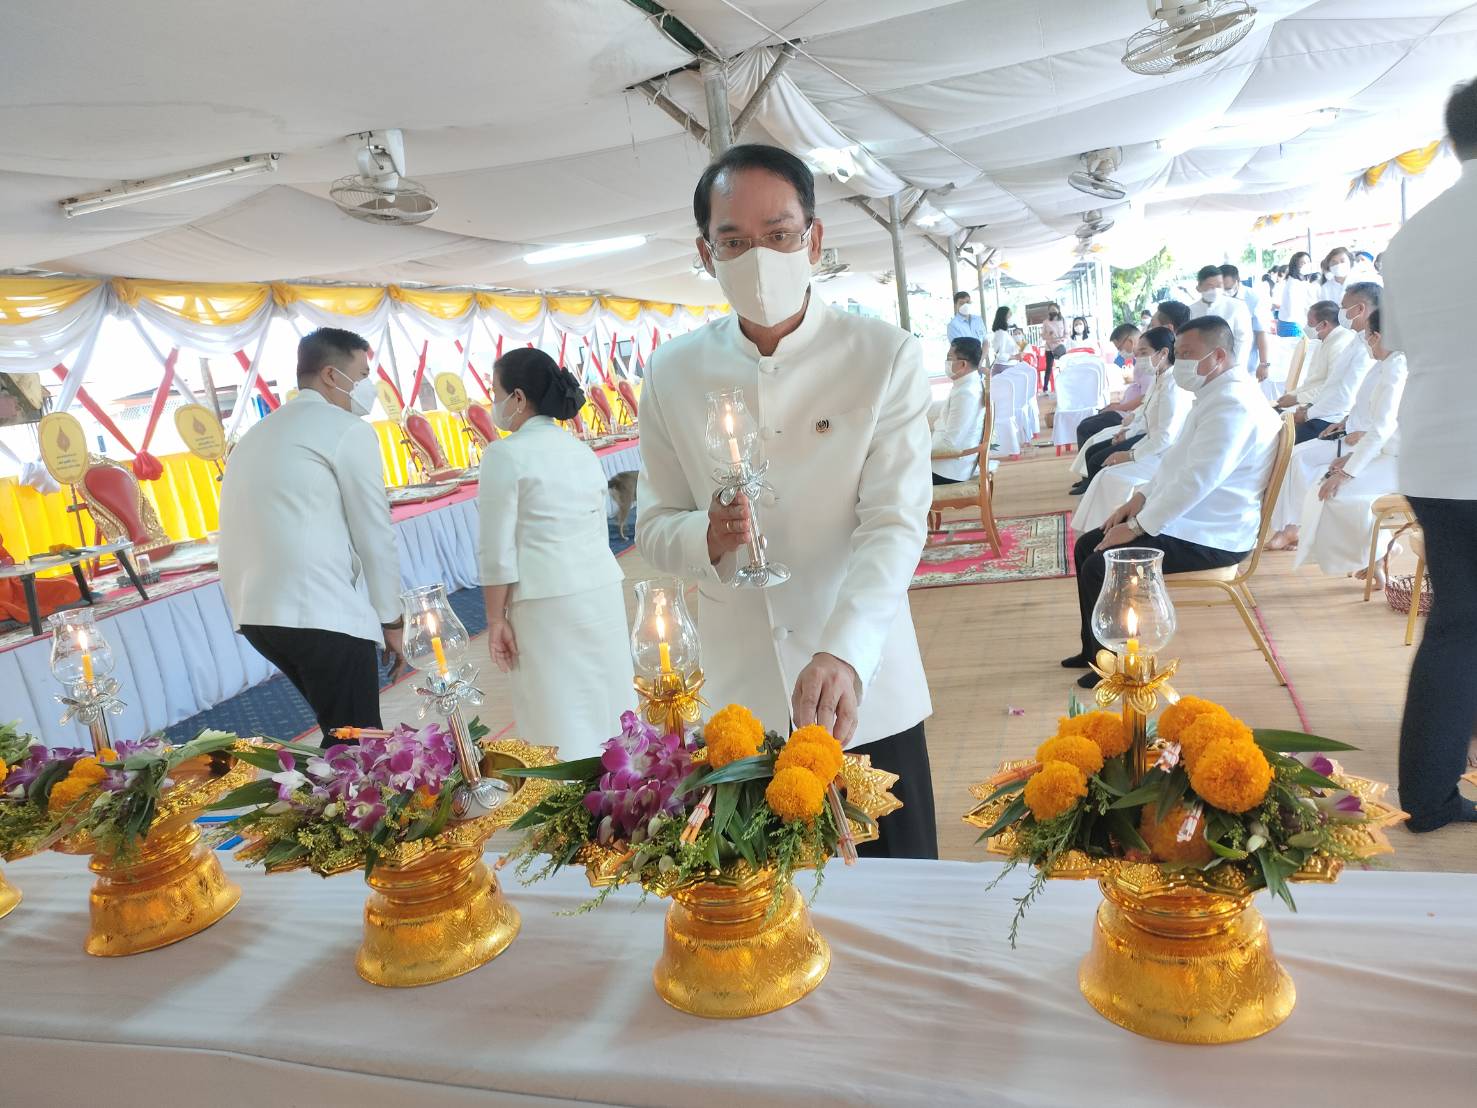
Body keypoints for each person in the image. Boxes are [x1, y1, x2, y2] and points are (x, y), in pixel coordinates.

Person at [635, 143, 936, 858]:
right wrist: (703, 538)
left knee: (899, 890)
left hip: (861, 680)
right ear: (706, 254)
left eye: (778, 235)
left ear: (814, 238)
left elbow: (893, 522)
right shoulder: (673, 371)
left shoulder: (881, 354)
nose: (758, 257)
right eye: (733, 241)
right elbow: (652, 521)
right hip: (739, 691)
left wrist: (843, 651)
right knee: (763, 912)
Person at [1063, 317, 1280, 687]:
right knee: (1088, 546)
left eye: (1187, 354)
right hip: (1196, 520)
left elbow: (1197, 480)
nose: (1179, 363)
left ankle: (1118, 667)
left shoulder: (1233, 405)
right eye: (1177, 354)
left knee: (1102, 564)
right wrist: (1140, 500)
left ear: (1218, 356)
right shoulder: (1216, 393)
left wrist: (1137, 527)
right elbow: (1177, 462)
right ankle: (1095, 652)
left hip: (1213, 536)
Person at [218, 327, 404, 739]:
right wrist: (391, 619)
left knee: (340, 732)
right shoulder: (346, 429)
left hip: (258, 614)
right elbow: (374, 532)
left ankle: (326, 799)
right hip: (320, 610)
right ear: (331, 375)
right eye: (363, 373)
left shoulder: (256, 433)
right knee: (359, 746)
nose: (369, 385)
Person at [1383, 76, 1477, 831]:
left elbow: (1404, 344)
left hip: (1434, 453)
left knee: (1459, 620)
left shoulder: (1409, 238)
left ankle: (1428, 792)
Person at [477, 348, 632, 760]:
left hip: (545, 598)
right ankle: (622, 792)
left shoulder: (504, 454)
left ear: (519, 399)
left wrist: (495, 620)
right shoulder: (580, 450)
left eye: (497, 392)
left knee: (556, 708)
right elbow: (600, 526)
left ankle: (567, 807)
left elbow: (497, 549)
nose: (494, 403)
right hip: (600, 589)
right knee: (609, 698)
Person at [1291, 312, 1408, 580]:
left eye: (1367, 336)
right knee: (1326, 485)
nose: (1365, 342)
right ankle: (1381, 551)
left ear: (1376, 336)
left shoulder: (1396, 368)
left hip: (1403, 460)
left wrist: (1348, 472)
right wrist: (1349, 462)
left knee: (1336, 493)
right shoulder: (1387, 363)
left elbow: (1382, 428)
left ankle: (1380, 551)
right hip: (1388, 452)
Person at [1071, 327, 1190, 530]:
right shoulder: (1160, 378)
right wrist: (1128, 433)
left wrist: (1130, 455)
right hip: (1150, 446)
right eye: (1138, 354)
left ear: (1163, 353)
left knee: (1107, 474)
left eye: (1144, 353)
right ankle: (1101, 525)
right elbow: (1146, 416)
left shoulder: (1173, 386)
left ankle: (1109, 525)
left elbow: (1165, 438)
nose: (1139, 358)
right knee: (1102, 466)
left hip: (1164, 456)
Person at [1290, 284, 1379, 444]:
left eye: (1344, 307)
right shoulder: (1357, 339)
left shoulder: (1368, 349)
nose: (1341, 313)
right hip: (1327, 413)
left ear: (1359, 309)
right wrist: (1309, 408)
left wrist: (1308, 414)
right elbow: (1332, 385)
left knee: (1287, 447)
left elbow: (1344, 396)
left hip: (1332, 418)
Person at [1074, 324, 1142, 448]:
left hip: (1129, 414)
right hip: (1124, 410)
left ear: (1130, 341)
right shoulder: (1140, 360)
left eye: (1120, 348)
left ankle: (1093, 460)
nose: (1120, 352)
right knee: (1085, 423)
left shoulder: (1147, 362)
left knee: (1085, 428)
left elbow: (1145, 397)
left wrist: (1120, 407)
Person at [1276, 300, 1352, 410]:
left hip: (1328, 408)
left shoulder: (1340, 345)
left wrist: (1297, 398)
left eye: (1310, 324)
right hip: (1312, 400)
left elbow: (1331, 388)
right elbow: (1312, 382)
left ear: (1324, 324)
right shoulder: (1324, 341)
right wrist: (1292, 395)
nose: (1306, 328)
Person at [931, 338, 986, 485]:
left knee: (895, 476)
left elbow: (951, 443)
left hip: (947, 469)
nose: (946, 362)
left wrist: (919, 453)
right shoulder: (966, 384)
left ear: (962, 364)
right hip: (946, 462)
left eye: (949, 358)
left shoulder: (966, 393)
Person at [1219, 264, 1272, 383]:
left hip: (1247, 362)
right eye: (1221, 288)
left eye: (1228, 288)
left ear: (1237, 281)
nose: (1225, 292)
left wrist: (1263, 364)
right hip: (1223, 364)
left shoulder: (1253, 298)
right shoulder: (1218, 298)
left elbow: (1261, 332)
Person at [1193, 264, 1252, 368]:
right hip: (1200, 369)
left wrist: (1234, 367)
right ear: (1199, 287)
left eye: (1219, 285)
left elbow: (1243, 340)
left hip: (1230, 367)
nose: (1215, 290)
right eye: (1210, 286)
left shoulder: (1237, 306)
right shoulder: (1190, 311)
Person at [1279, 251, 1316, 337]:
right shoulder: (1294, 283)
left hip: (1290, 323)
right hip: (1292, 325)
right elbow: (1293, 310)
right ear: (1295, 265)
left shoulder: (1299, 281)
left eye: (1308, 262)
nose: (1306, 265)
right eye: (1303, 262)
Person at [1041, 303, 1067, 391]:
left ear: (1058, 310)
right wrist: (1049, 334)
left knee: (1063, 366)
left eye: (1054, 310)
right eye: (1051, 310)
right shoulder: (1046, 322)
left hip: (1060, 347)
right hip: (1049, 348)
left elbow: (1066, 334)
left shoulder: (1063, 320)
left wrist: (1060, 339)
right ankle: (1045, 388)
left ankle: (1065, 385)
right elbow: (1043, 336)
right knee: (1049, 368)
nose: (1052, 311)